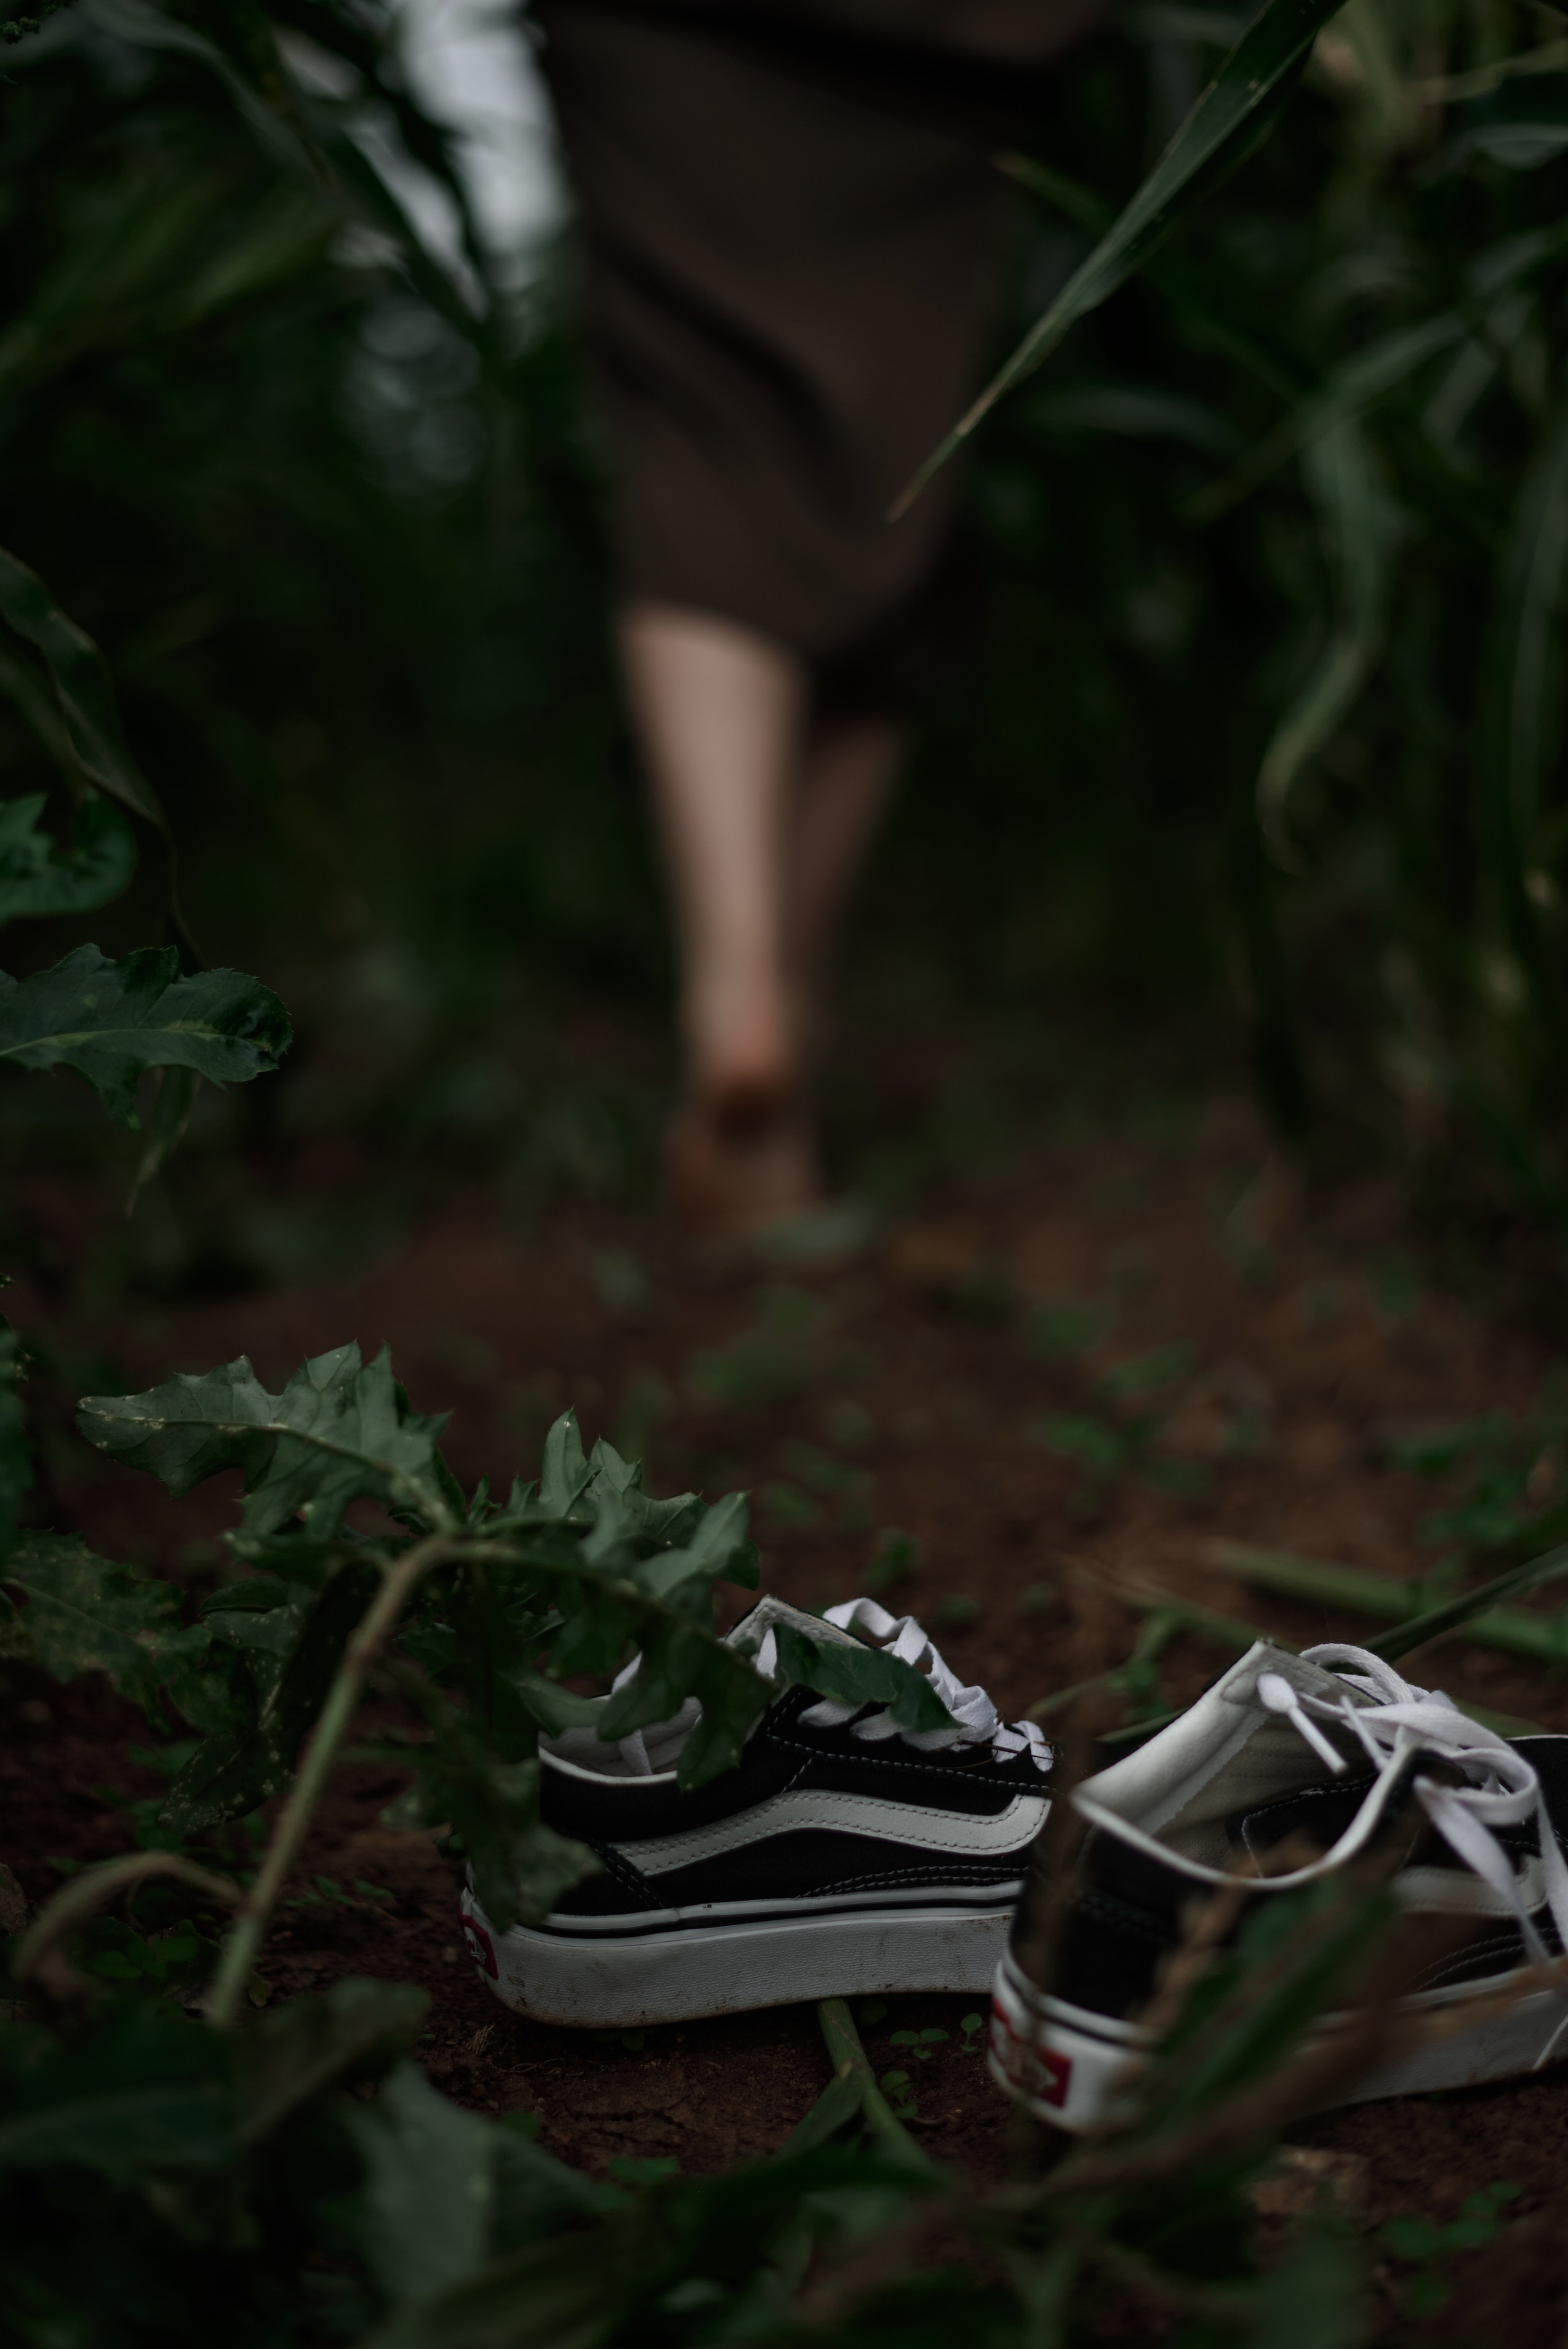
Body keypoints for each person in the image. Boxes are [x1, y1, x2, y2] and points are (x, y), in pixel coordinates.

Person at [533, 0, 1102, 1231]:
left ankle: (734, 983)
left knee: (699, 433)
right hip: (939, 40)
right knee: (893, 469)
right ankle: (791, 986)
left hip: (676, 48)